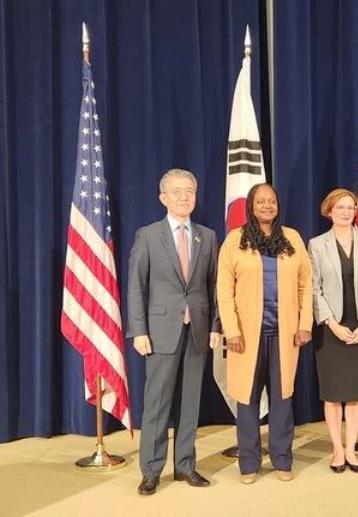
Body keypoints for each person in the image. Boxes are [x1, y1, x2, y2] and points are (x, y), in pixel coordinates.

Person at [127, 168, 220, 495]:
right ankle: (151, 470)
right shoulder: (148, 235)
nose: (184, 197)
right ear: (162, 197)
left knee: (190, 402)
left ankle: (185, 466)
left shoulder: (207, 236)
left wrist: (216, 326)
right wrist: (138, 330)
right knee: (157, 403)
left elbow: (214, 285)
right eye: (177, 191)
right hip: (160, 331)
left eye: (190, 191)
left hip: (198, 329)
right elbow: (136, 287)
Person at [217, 183, 313, 484]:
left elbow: (305, 285)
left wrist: (304, 324)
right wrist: (230, 329)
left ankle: (282, 460)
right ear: (251, 206)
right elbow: (224, 289)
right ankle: (248, 464)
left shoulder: (292, 238)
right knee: (247, 400)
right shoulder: (236, 241)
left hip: (284, 335)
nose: (267, 206)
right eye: (261, 201)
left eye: (272, 200)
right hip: (245, 336)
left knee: (283, 399)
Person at [308, 188, 358, 473]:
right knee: (333, 393)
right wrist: (331, 324)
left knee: (355, 393)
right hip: (331, 328)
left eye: (351, 207)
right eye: (340, 207)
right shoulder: (316, 245)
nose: (346, 212)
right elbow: (314, 289)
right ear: (329, 211)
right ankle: (336, 450)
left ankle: (351, 450)